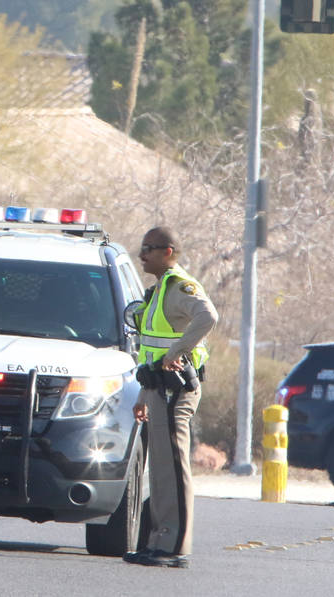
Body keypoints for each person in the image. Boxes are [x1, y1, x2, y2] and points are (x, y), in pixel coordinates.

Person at [124, 227, 218, 569]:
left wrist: (178, 352)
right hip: (157, 389)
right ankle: (157, 542)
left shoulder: (180, 287)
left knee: (174, 468)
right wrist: (143, 394)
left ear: (168, 251)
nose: (142, 255)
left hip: (177, 389)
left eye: (148, 248)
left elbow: (208, 316)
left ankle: (174, 546)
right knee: (160, 469)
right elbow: (152, 350)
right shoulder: (159, 291)